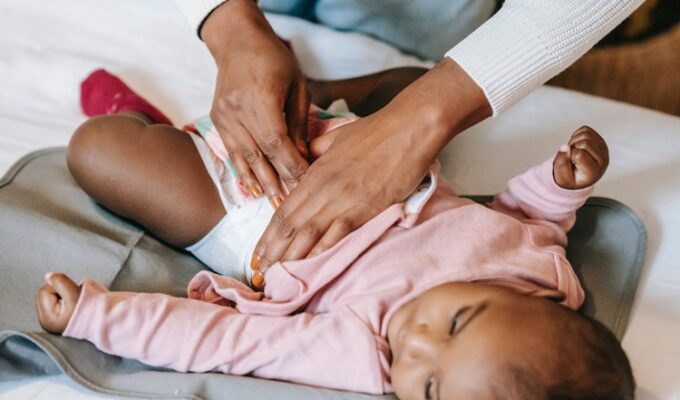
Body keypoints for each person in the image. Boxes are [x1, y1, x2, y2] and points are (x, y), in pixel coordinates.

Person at [36, 69, 633, 399]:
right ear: (543, 299)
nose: (417, 339)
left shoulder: (361, 352)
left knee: (100, 153)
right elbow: (528, 221)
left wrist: (98, 317)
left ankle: (139, 117)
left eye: (426, 389)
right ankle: (310, 91)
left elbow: (228, 342)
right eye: (458, 322)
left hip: (254, 209)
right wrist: (561, 187)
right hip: (372, 148)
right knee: (420, 79)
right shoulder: (539, 270)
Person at [173, 0, 644, 279]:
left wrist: (420, 119)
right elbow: (530, 224)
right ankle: (308, 85)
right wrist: (230, 23)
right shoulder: (533, 280)